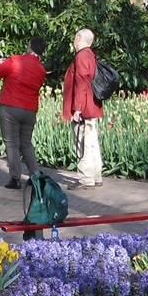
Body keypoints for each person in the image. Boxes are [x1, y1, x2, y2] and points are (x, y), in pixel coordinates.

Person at [0, 36, 47, 189]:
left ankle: (15, 178)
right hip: (30, 110)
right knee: (26, 144)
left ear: (29, 46)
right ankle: (35, 176)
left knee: (12, 144)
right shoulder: (41, 69)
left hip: (10, 107)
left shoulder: (15, 61)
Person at [62, 28, 102, 188]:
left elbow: (81, 84)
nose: (73, 41)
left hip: (84, 108)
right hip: (92, 106)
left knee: (83, 142)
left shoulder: (81, 56)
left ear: (79, 38)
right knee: (92, 142)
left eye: (75, 38)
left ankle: (85, 178)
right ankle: (96, 175)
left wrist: (77, 109)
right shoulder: (91, 55)